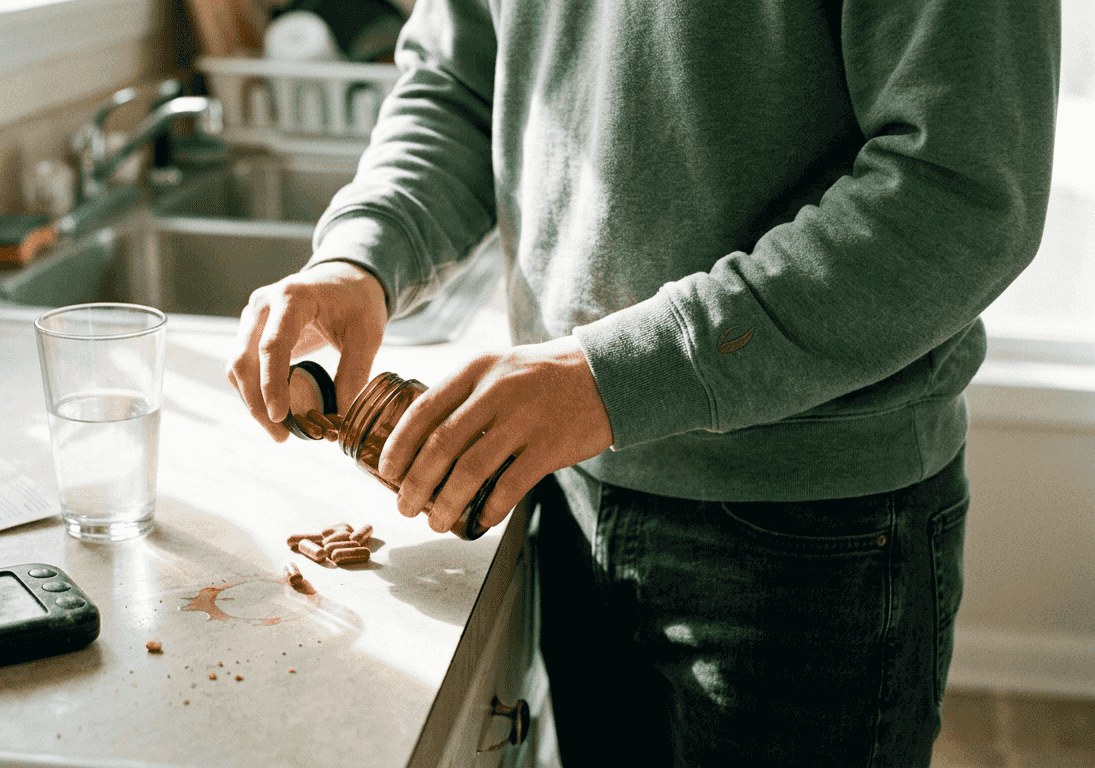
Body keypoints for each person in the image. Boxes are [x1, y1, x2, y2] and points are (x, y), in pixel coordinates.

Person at [227, 0, 1060, 763]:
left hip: (812, 536)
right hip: (573, 491)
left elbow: (962, 192)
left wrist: (603, 381)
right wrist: (363, 251)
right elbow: (460, 83)